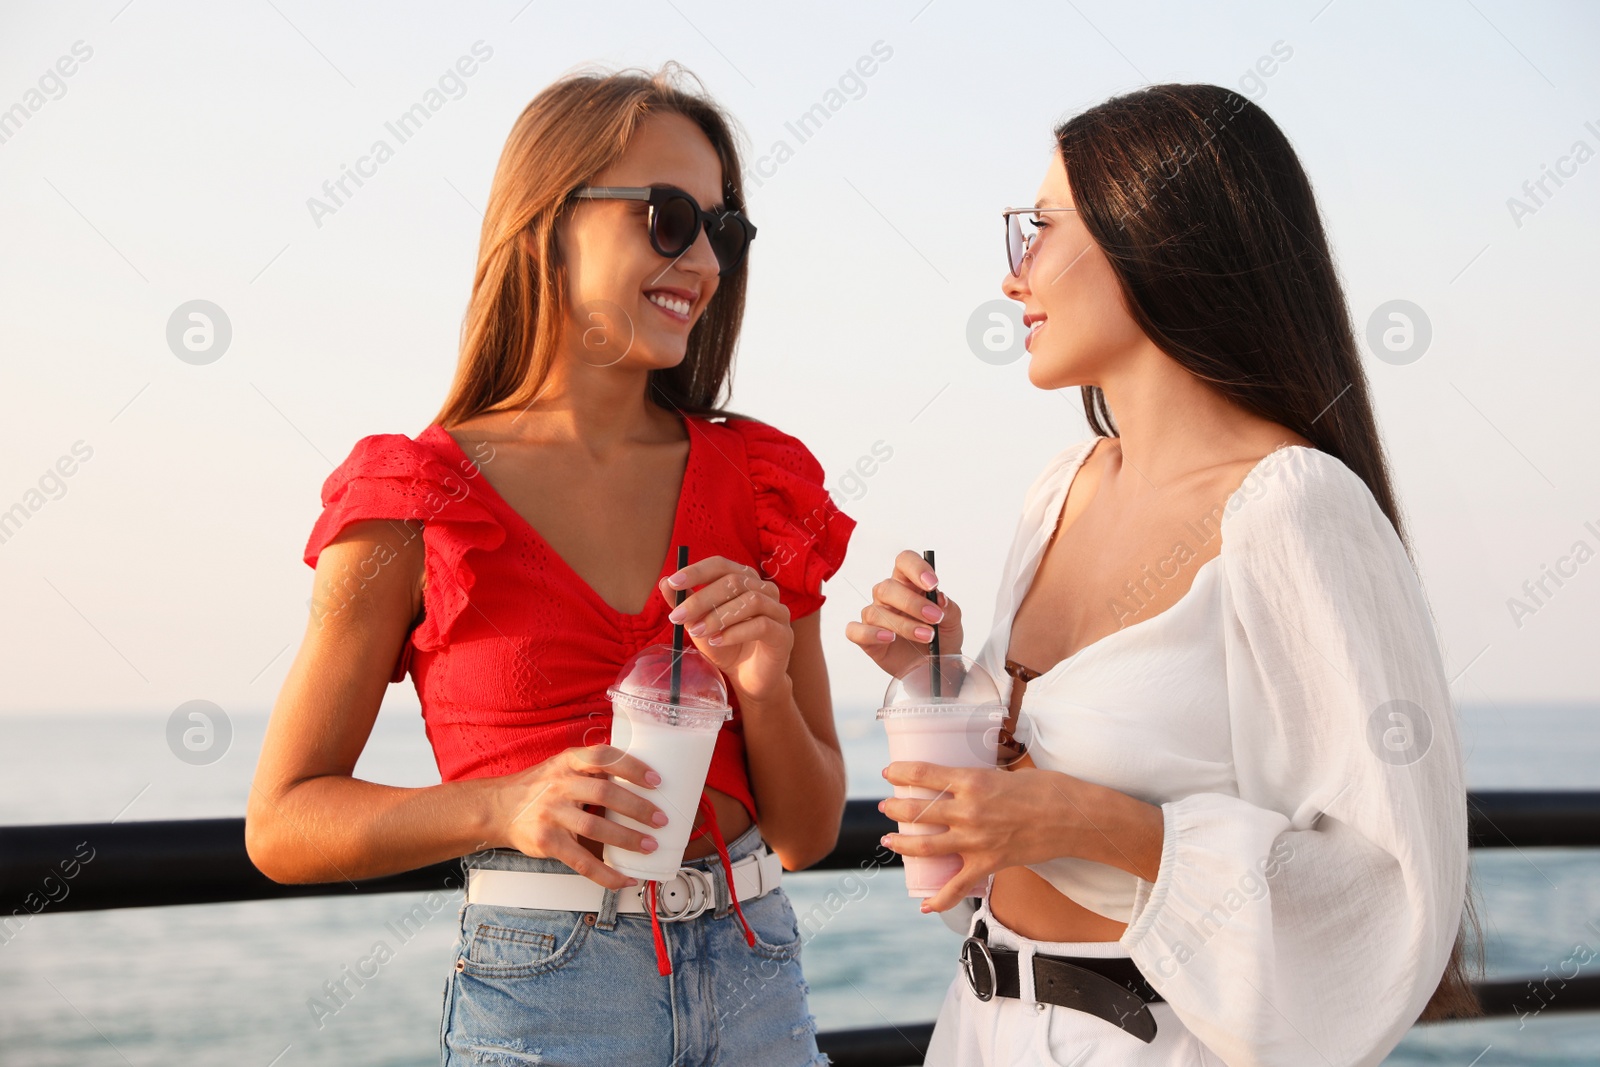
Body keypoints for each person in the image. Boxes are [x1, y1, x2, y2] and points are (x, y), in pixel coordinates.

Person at [848, 83, 1481, 1065]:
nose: (1014, 276)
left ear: (1154, 237)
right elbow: (999, 809)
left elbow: (1388, 885)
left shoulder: (1291, 507)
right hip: (977, 1026)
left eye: (1041, 229)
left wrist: (1099, 822)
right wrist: (930, 676)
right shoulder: (1060, 489)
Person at [245, 64, 850, 1067]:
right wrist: (501, 805)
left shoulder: (764, 480)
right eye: (667, 217)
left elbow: (812, 828)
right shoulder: (409, 497)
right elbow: (284, 820)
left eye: (724, 230)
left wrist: (766, 686)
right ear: (545, 223)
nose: (702, 258)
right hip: (549, 988)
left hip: (756, 964)